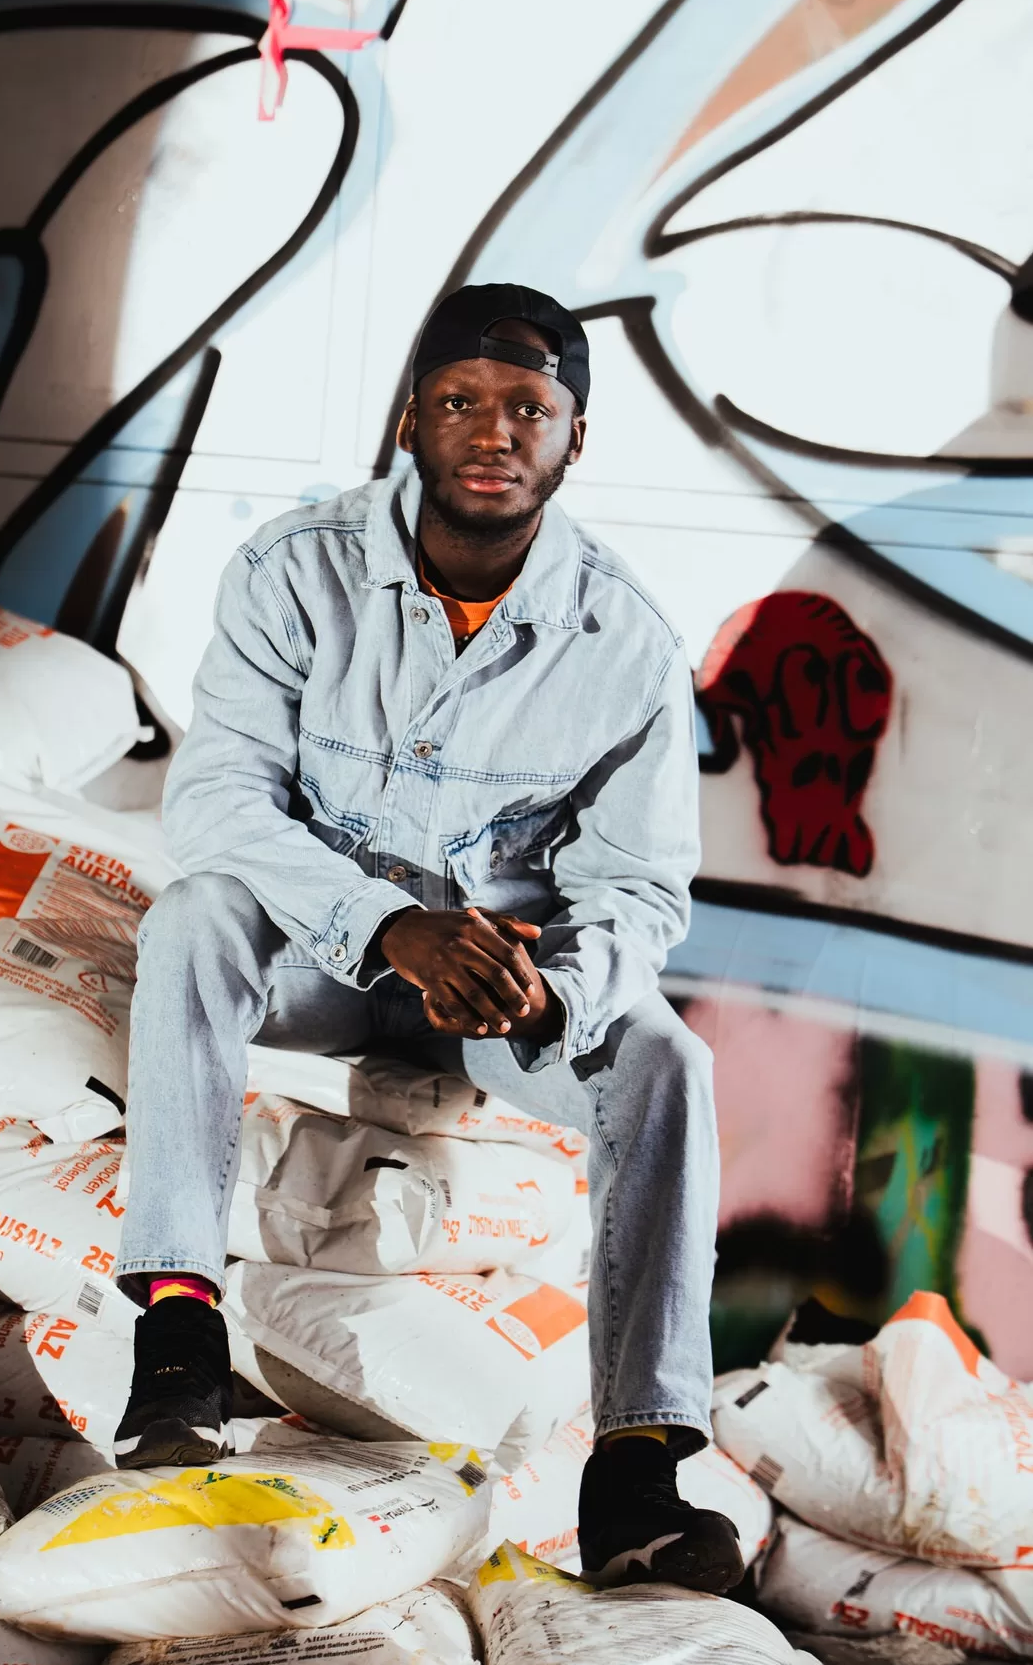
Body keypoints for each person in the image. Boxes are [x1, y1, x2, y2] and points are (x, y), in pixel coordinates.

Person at [113, 281, 741, 1593]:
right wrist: (387, 925)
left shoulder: (621, 640)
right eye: (460, 400)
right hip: (327, 966)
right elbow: (220, 797)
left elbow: (642, 892)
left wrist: (549, 989)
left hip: (501, 1001)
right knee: (191, 916)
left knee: (668, 1062)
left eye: (529, 407)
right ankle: (177, 1335)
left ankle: (634, 1470)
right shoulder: (295, 569)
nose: (492, 429)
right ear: (410, 419)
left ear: (577, 438)